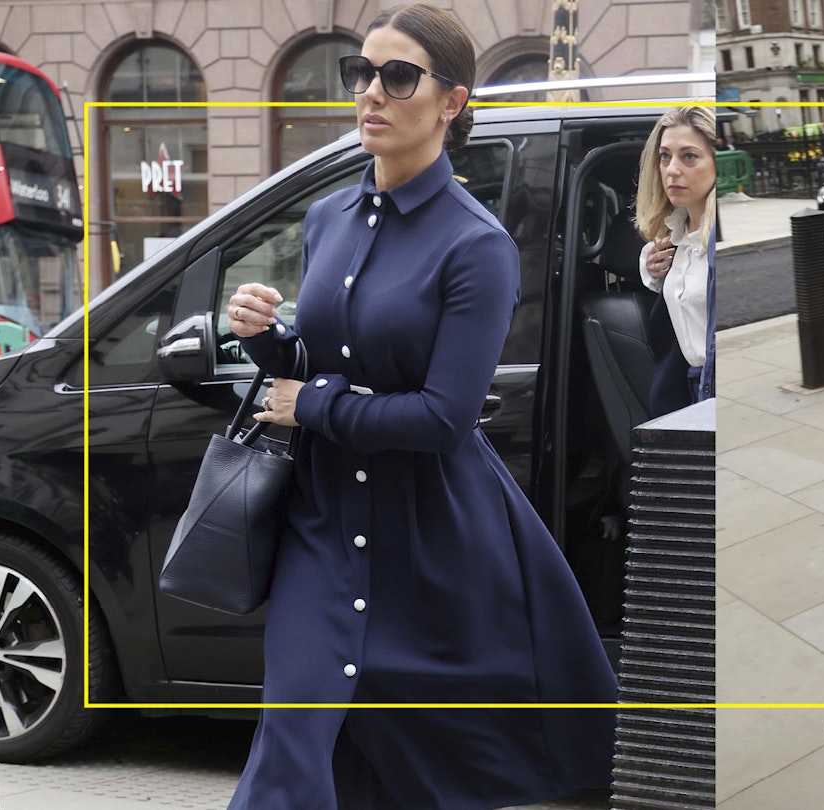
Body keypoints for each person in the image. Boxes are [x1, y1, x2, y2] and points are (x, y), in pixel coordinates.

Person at [224, 5, 617, 807]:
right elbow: (323, 360)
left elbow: (444, 417)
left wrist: (315, 403)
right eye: (359, 72)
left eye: (397, 76)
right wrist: (267, 340)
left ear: (451, 102)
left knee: (421, 773)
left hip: (431, 539)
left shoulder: (477, 246)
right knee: (292, 744)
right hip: (324, 527)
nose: (370, 92)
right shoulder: (327, 217)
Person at [636, 105, 717, 415]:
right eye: (665, 156)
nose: (672, 169)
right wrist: (655, 273)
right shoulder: (676, 238)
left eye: (689, 156)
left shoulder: (714, 243)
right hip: (690, 390)